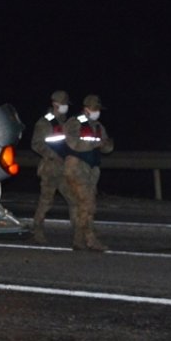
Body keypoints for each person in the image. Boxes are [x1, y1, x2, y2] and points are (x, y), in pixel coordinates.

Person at [63, 94, 114, 251]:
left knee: (83, 206)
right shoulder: (74, 123)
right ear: (86, 108)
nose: (97, 111)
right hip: (76, 167)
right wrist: (95, 143)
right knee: (88, 204)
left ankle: (78, 240)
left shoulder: (98, 126)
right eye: (95, 109)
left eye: (99, 109)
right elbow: (73, 143)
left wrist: (106, 144)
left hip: (91, 169)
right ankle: (91, 240)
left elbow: (107, 147)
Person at [29, 90, 72, 243]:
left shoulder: (65, 122)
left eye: (67, 104)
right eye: (64, 104)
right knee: (46, 201)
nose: (66, 107)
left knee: (74, 199)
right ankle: (37, 230)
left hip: (66, 168)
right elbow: (36, 144)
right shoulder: (45, 122)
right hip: (51, 168)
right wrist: (53, 155)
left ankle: (82, 233)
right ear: (55, 104)